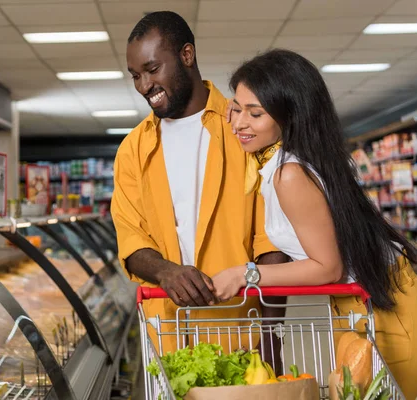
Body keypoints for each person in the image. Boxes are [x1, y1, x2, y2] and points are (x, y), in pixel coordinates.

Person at [212, 49, 417, 399]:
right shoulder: (298, 158)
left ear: (289, 116)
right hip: (363, 306)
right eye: (237, 109)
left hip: (389, 314)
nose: (239, 123)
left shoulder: (290, 174)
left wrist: (245, 274)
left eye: (254, 113)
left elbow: (327, 267)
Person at [111, 11, 288, 355]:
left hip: (240, 337)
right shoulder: (133, 149)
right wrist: (166, 272)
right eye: (135, 76)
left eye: (152, 70)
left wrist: (271, 340)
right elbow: (131, 240)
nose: (144, 86)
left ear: (186, 55)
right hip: (167, 340)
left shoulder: (242, 131)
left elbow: (271, 242)